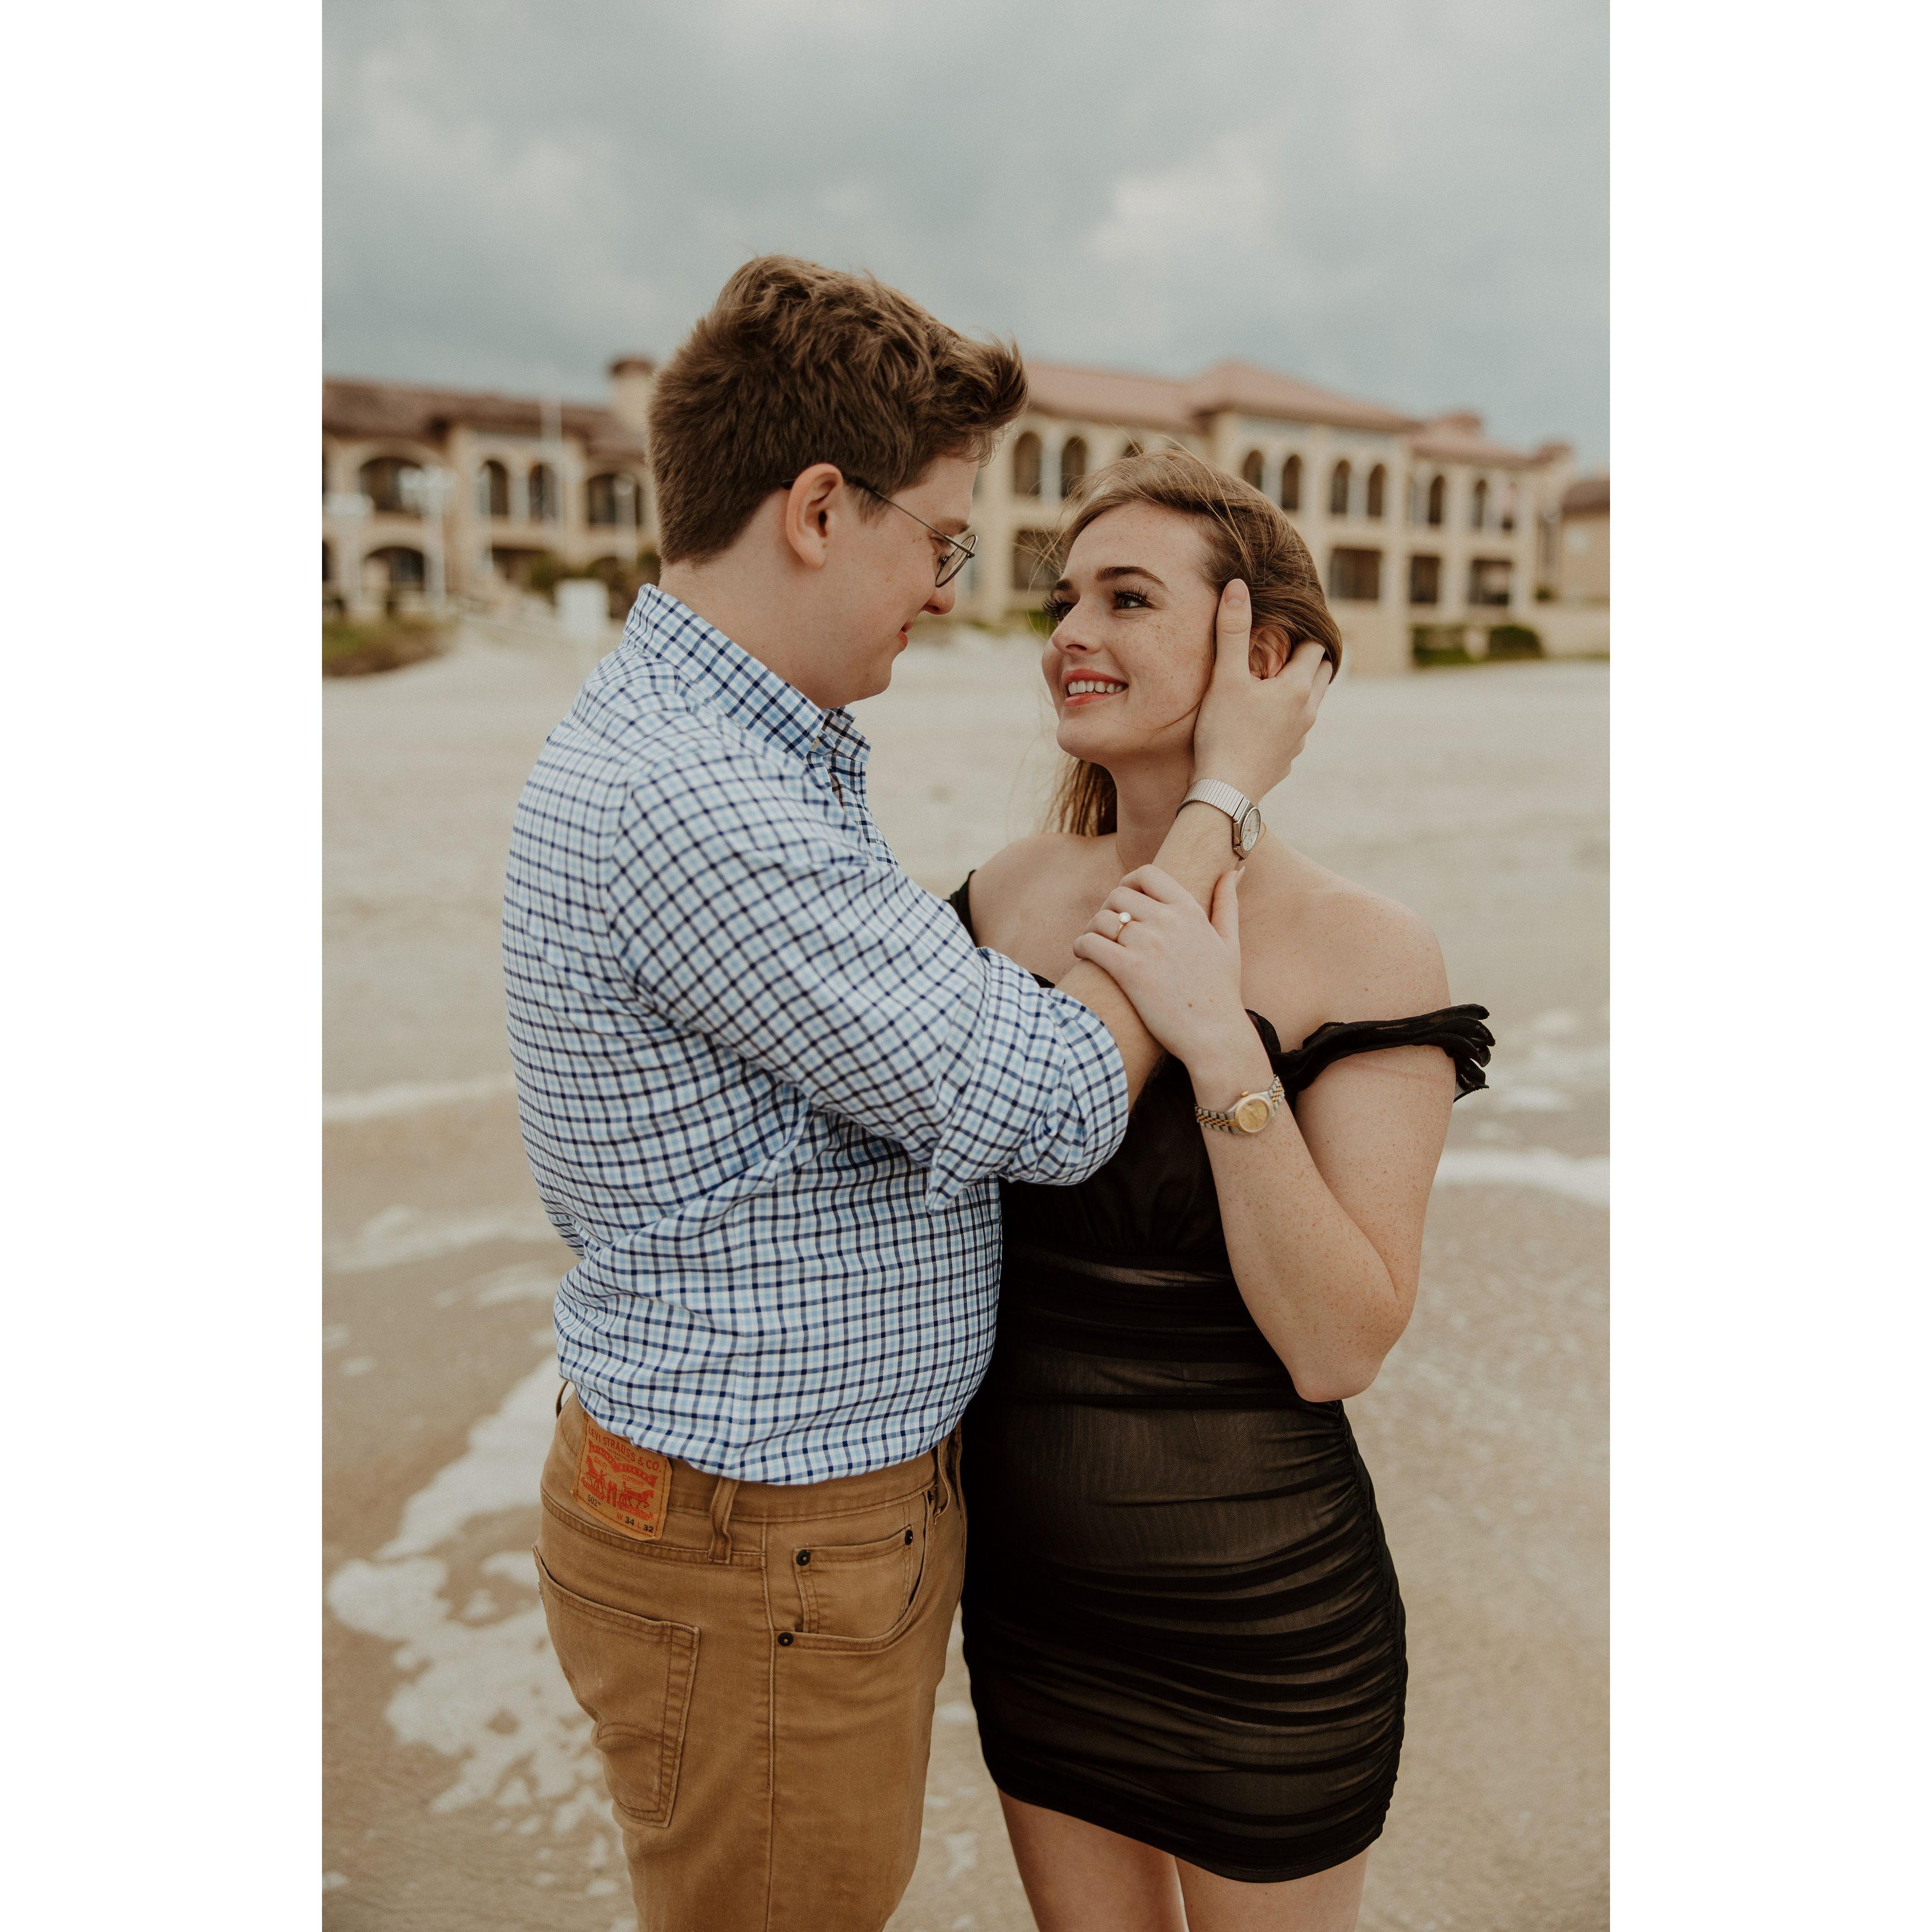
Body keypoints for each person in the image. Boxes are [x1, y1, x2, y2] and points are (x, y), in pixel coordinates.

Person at [500, 259, 1329, 1931]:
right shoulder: (700, 794)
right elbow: (1056, 1097)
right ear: (820, 510)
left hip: (782, 1522)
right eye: (942, 543)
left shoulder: (733, 751)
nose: (951, 597)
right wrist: (1225, 799)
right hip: (765, 1537)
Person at [950, 449, 1494, 1932]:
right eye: (1065, 601)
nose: (1072, 634)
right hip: (1037, 1607)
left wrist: (1217, 1046)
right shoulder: (1006, 896)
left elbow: (1340, 1343)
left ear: (1263, 654)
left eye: (1129, 599)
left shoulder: (1365, 949)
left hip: (1264, 1625)